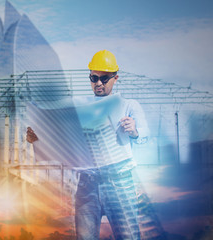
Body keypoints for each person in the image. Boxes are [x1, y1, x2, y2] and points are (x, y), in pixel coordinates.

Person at [26, 50, 150, 240]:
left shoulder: (129, 105)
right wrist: (37, 139)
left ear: (115, 78)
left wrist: (134, 131)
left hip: (119, 182)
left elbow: (145, 136)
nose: (98, 83)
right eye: (94, 78)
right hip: (87, 183)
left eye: (104, 78)